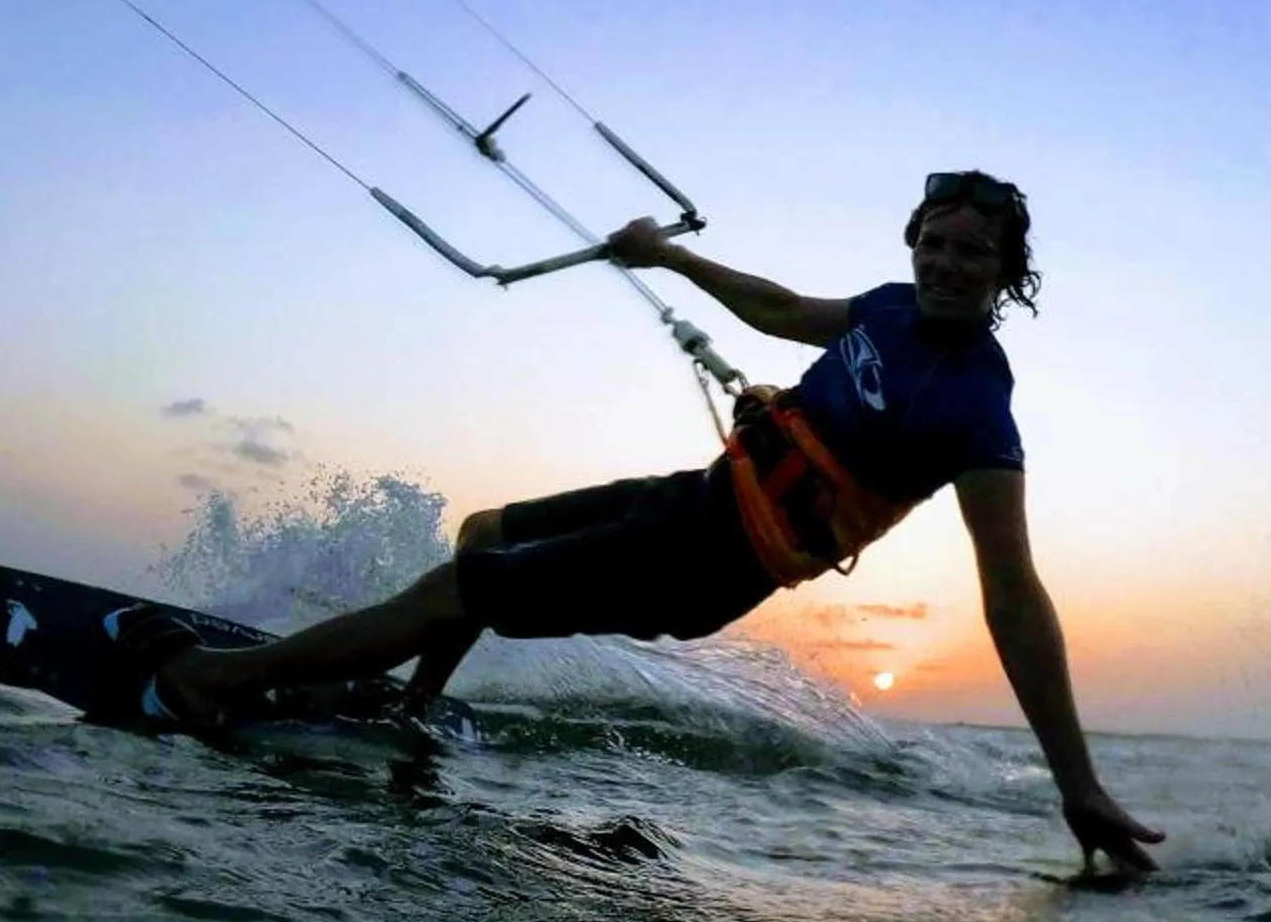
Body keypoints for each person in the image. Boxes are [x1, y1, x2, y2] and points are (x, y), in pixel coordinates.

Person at [137, 170, 1166, 873]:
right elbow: (775, 307)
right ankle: (408, 708)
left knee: (461, 593)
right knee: (484, 536)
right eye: (935, 244)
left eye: (972, 254)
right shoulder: (891, 306)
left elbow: (1013, 595)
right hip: (697, 496)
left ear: (1005, 271)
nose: (947, 265)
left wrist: (1075, 784)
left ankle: (212, 684)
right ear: (913, 244)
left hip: (710, 562)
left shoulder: (975, 406)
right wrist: (666, 260)